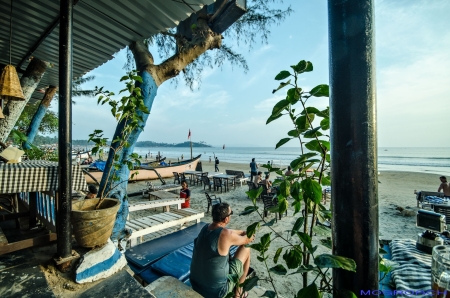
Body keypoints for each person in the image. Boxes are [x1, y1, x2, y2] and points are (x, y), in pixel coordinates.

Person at [190, 202, 255, 298]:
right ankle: (238, 293)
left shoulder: (205, 228)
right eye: (231, 213)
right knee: (247, 247)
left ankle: (238, 291)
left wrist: (241, 232)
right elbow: (247, 239)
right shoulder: (226, 234)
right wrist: (250, 234)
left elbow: (227, 232)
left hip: (195, 284)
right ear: (226, 219)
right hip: (218, 292)